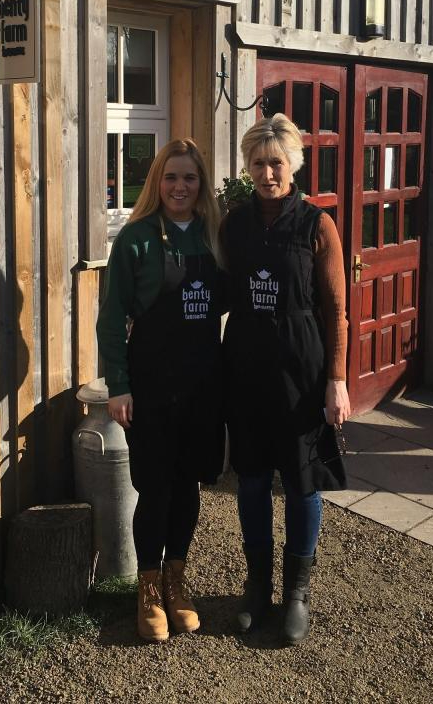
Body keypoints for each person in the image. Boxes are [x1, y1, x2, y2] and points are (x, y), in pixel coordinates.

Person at [219, 112, 350, 645]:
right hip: (246, 368)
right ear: (247, 168)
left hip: (302, 369)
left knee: (302, 482)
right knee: (250, 480)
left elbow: (337, 307)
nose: (267, 172)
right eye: (258, 163)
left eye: (276, 162)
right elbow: (218, 290)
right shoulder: (234, 224)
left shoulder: (317, 225)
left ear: (292, 164)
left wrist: (337, 380)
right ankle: (257, 586)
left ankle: (296, 592)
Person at [96, 138, 224, 643]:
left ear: (201, 184)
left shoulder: (215, 236)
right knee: (155, 489)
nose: (180, 187)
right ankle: (147, 587)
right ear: (157, 182)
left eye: (189, 177)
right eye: (171, 177)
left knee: (188, 486)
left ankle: (177, 578)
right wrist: (119, 386)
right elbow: (111, 321)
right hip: (150, 387)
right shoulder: (136, 240)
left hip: (201, 387)